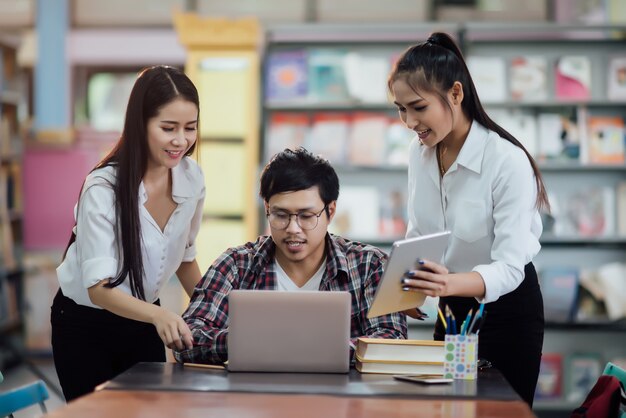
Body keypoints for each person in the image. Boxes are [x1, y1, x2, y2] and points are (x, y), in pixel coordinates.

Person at [388, 32, 549, 406]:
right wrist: (407, 287)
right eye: (400, 109)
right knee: (448, 408)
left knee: (497, 413)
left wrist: (447, 284)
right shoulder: (420, 152)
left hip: (507, 311)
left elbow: (510, 267)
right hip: (453, 308)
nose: (409, 121)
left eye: (418, 107)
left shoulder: (507, 161)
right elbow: (421, 232)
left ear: (456, 94)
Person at [51, 65, 205, 401]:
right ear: (141, 124)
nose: (181, 140)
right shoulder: (103, 187)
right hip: (85, 325)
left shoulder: (192, 178)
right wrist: (160, 314)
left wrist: (219, 311)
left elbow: (185, 259)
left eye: (190, 128)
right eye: (168, 128)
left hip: (143, 319)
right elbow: (100, 290)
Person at [174, 148, 407, 365]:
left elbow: (391, 340)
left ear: (331, 211)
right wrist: (245, 340)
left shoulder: (369, 265)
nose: (293, 228)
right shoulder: (237, 265)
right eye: (281, 215)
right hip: (254, 403)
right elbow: (188, 337)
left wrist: (293, 346)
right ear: (267, 208)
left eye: (306, 216)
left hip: (342, 405)